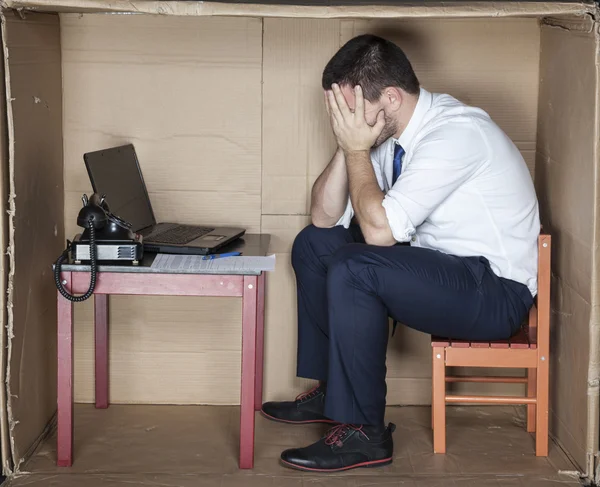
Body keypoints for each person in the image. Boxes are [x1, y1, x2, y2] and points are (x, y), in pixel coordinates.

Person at [261, 34, 540, 473]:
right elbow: (322, 217)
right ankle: (333, 390)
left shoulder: (455, 133)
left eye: (351, 109)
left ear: (389, 97)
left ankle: (364, 434)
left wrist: (357, 148)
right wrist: (347, 144)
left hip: (494, 293)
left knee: (356, 266)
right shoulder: (387, 135)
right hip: (440, 270)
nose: (345, 119)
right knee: (315, 246)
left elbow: (378, 233)